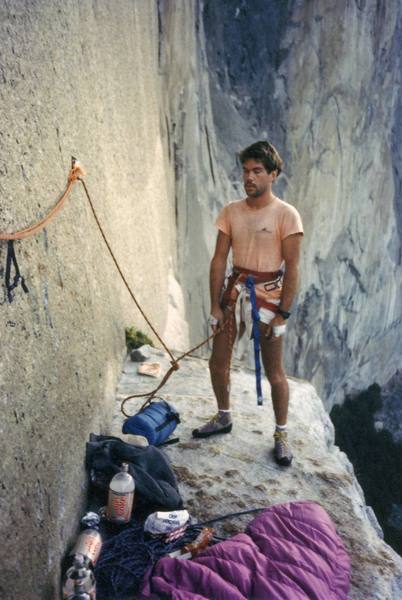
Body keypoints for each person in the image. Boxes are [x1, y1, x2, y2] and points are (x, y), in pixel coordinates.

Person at [192, 141, 303, 467]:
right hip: (236, 290)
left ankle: (281, 433)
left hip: (269, 295)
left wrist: (282, 313)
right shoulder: (231, 211)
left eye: (257, 171)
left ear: (273, 174)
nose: (249, 177)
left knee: (275, 372)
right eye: (246, 170)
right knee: (217, 362)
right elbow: (218, 260)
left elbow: (293, 268)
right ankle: (224, 415)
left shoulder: (287, 215)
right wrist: (215, 305)